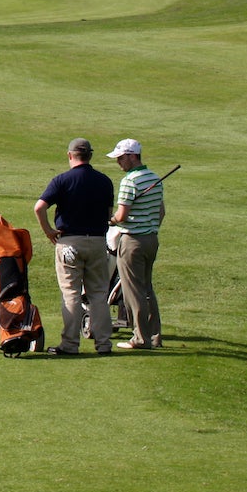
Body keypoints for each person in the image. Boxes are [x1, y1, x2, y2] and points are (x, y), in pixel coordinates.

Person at [35, 137, 115, 355]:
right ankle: (104, 344)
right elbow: (109, 215)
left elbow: (39, 207)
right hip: (98, 241)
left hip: (69, 242)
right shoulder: (105, 181)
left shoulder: (62, 180)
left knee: (71, 293)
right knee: (98, 293)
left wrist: (49, 231)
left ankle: (70, 344)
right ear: (90, 155)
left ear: (70, 155)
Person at [107, 138, 164, 349]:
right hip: (151, 239)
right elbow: (161, 211)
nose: (119, 162)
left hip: (132, 241)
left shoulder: (129, 181)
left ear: (132, 156)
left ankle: (140, 338)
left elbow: (121, 215)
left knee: (134, 291)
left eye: (121, 158)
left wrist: (109, 219)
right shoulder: (154, 177)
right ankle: (155, 336)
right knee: (147, 289)